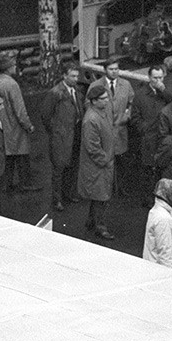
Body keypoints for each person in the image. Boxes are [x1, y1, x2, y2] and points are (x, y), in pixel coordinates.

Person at [37, 64, 83, 213]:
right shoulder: (56, 93)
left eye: (77, 76)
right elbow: (45, 114)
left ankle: (67, 194)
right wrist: (55, 130)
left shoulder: (75, 91)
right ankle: (57, 200)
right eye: (73, 76)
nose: (76, 79)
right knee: (59, 168)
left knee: (71, 166)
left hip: (74, 134)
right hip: (61, 136)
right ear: (64, 76)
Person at [0, 53, 37, 192]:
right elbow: (20, 110)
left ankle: (6, 185)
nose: (15, 68)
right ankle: (25, 184)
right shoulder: (12, 84)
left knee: (8, 159)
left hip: (1, 125)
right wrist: (28, 125)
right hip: (15, 127)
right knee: (22, 157)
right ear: (8, 68)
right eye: (14, 65)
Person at [77, 83, 116, 240]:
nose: (107, 101)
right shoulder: (91, 119)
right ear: (93, 101)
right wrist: (106, 161)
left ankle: (91, 221)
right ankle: (100, 227)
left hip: (101, 164)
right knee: (101, 197)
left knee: (98, 196)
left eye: (107, 98)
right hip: (98, 166)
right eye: (103, 99)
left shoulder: (101, 112)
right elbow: (92, 147)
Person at [90, 57, 134, 194]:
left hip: (120, 130)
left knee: (121, 161)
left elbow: (131, 102)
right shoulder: (96, 85)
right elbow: (89, 105)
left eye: (116, 69)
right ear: (105, 70)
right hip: (104, 131)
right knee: (105, 161)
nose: (114, 72)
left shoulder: (126, 85)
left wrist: (127, 115)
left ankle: (121, 188)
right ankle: (105, 188)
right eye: (111, 69)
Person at [130, 64, 170, 205]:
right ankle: (147, 198)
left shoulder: (166, 93)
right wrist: (144, 129)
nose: (157, 81)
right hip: (148, 138)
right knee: (147, 169)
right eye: (155, 78)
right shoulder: (140, 95)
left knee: (162, 169)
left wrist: (163, 91)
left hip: (163, 137)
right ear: (149, 77)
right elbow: (134, 117)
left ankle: (161, 197)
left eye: (160, 77)